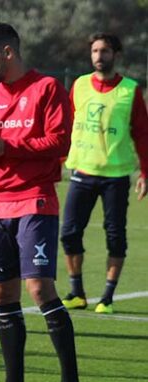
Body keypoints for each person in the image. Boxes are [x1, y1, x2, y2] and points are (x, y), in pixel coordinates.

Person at [0, 23, 78, 382]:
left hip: (35, 200)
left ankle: (70, 377)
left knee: (38, 288)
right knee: (2, 294)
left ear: (8, 53)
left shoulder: (47, 88)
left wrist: (9, 147)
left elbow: (60, 143)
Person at [60, 33, 148, 315]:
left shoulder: (130, 91)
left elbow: (142, 135)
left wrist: (145, 172)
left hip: (116, 176)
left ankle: (107, 298)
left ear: (116, 55)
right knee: (69, 233)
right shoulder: (80, 85)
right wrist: (60, 159)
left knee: (115, 236)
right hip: (82, 172)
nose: (99, 55)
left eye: (105, 51)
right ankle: (77, 292)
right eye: (95, 51)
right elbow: (66, 124)